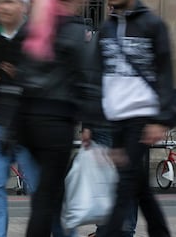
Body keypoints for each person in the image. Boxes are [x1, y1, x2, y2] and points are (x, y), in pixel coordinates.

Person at [12, 0, 96, 236]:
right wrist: (88, 122)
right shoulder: (74, 29)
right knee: (46, 196)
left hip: (29, 121)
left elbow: (21, 72)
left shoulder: (37, 25)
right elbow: (84, 79)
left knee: (51, 191)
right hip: (56, 124)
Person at [95, 0, 173, 236]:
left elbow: (165, 73)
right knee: (139, 187)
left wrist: (161, 119)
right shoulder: (106, 29)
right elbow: (97, 75)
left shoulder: (152, 24)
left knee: (125, 185)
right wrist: (95, 120)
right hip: (116, 119)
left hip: (141, 117)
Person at [0, 1, 41, 237]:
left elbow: (50, 78)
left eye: (10, 1)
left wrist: (21, 75)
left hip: (29, 126)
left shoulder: (36, 38)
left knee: (42, 190)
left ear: (24, 7)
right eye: (0, 1)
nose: (4, 7)